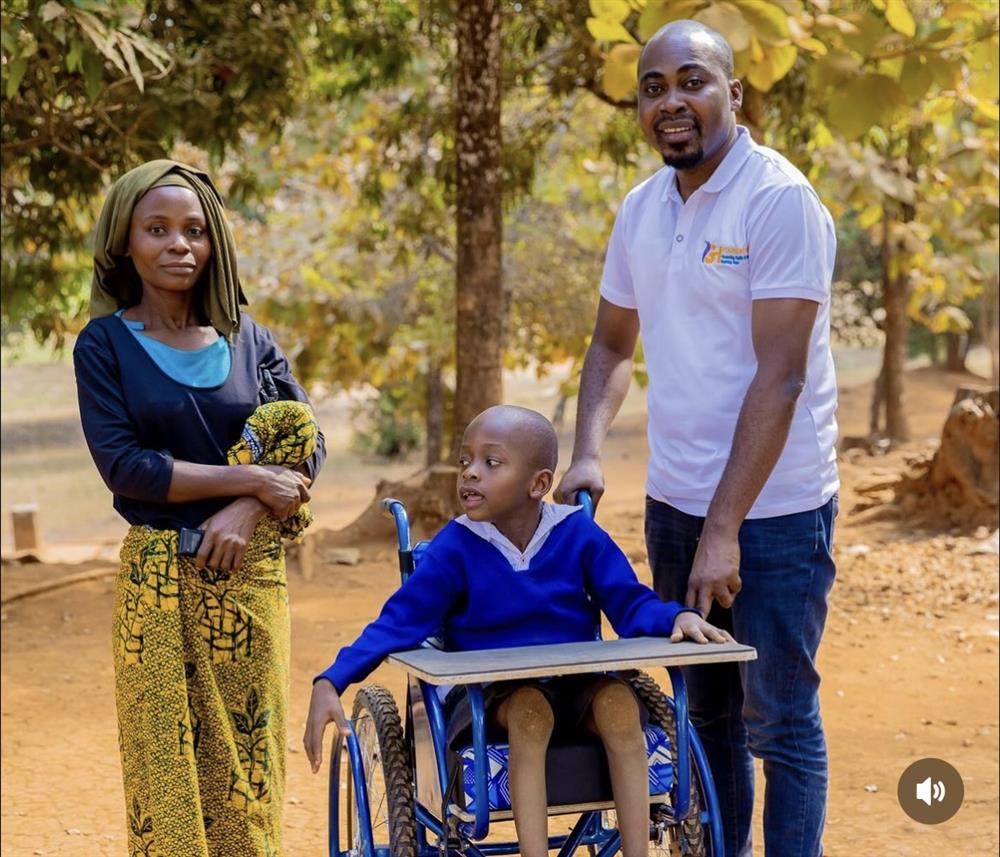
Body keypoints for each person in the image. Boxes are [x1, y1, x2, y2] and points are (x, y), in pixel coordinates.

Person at [555, 20, 839, 857]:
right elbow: (611, 345)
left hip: (778, 512)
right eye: (653, 88)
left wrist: (726, 532)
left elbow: (780, 375)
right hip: (675, 503)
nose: (671, 102)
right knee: (702, 707)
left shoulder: (779, 200)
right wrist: (586, 451)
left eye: (692, 81)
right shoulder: (641, 210)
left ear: (733, 95)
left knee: (778, 715)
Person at [304, 405, 733, 857]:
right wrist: (332, 679)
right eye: (465, 460)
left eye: (490, 463)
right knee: (530, 709)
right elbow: (398, 622)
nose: (469, 473)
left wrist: (675, 618)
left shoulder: (578, 535)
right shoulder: (455, 548)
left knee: (620, 704)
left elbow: (629, 602)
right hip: (490, 698)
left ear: (539, 485)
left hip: (577, 684)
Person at [73, 159, 326, 857]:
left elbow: (306, 441)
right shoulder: (104, 346)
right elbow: (126, 466)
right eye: (157, 229)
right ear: (125, 241)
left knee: (249, 775)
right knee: (166, 776)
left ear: (214, 242)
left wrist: (246, 510)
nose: (178, 243)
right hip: (157, 588)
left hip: (249, 585)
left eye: (194, 230)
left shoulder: (248, 338)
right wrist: (247, 483)